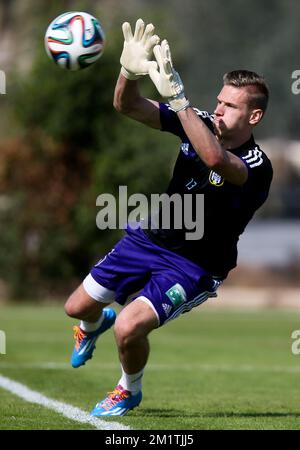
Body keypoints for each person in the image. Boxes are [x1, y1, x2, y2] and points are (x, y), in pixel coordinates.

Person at [64, 18, 273, 417]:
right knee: (76, 307)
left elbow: (214, 157)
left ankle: (129, 389)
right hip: (150, 239)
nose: (219, 108)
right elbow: (127, 106)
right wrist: (128, 72)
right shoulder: (198, 119)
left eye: (231, 106)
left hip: (194, 265)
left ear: (254, 117)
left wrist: (178, 101)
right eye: (219, 100)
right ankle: (92, 325)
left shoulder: (257, 165)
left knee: (129, 327)